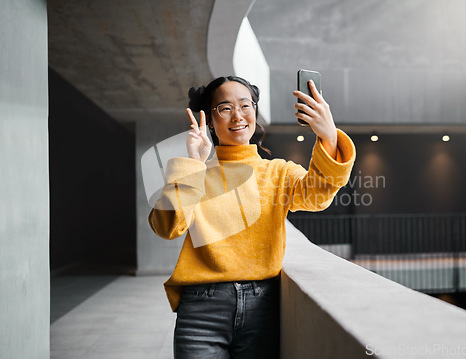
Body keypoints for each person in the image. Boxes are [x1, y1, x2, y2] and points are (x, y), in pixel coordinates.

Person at [148, 75, 356, 358]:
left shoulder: (278, 172)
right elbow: (166, 226)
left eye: (245, 105)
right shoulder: (195, 173)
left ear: (255, 112)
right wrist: (194, 164)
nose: (238, 116)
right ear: (210, 119)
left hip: (263, 307)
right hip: (201, 311)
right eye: (224, 108)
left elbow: (318, 196)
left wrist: (329, 135)